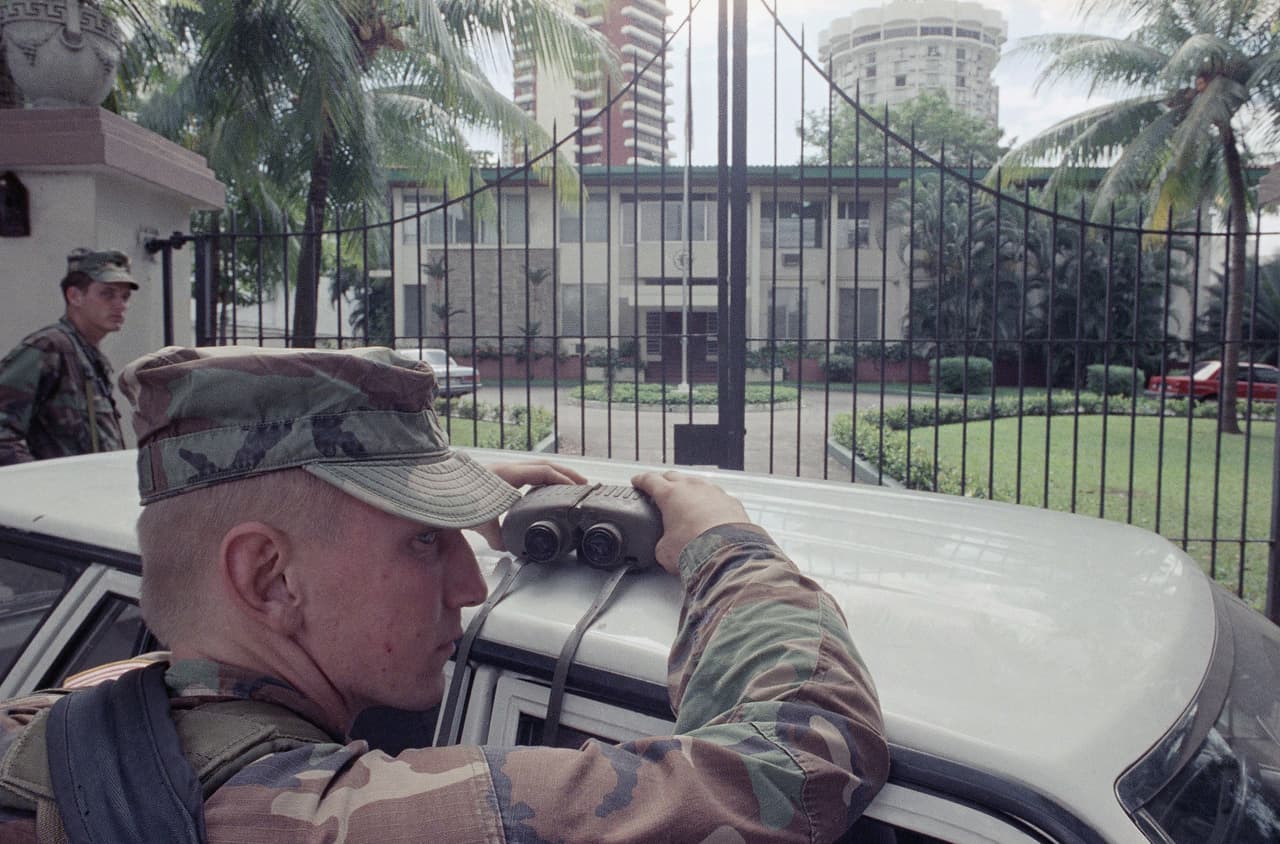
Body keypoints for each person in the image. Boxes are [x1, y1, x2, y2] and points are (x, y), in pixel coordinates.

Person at [0, 346, 888, 842]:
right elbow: (796, 762)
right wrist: (727, 551)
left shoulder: (47, 737)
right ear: (269, 578)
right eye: (427, 546)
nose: (469, 584)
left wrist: (403, 509)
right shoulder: (350, 825)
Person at [0, 248, 137, 465]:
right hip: (62, 494)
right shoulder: (49, 347)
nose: (120, 305)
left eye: (125, 297)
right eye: (107, 294)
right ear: (75, 296)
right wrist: (39, 484)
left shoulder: (87, 355)